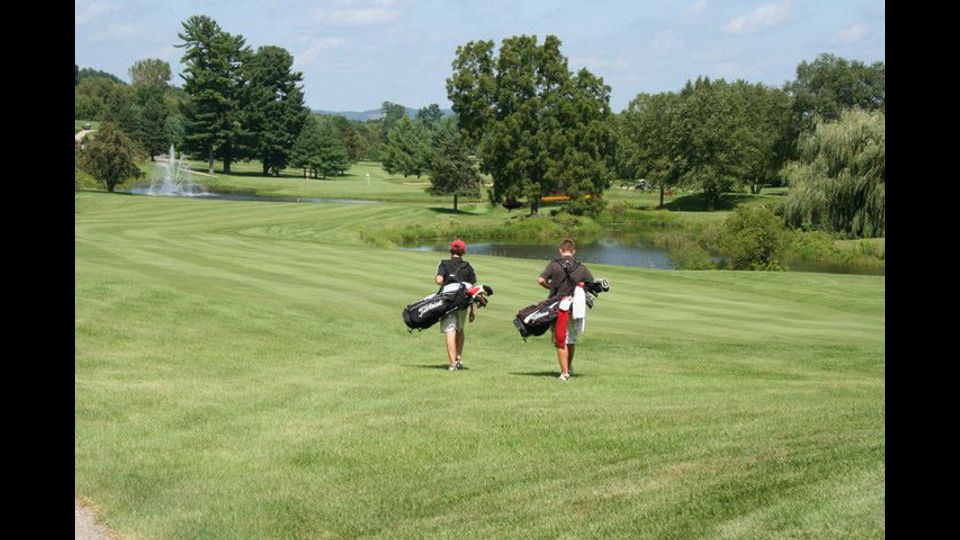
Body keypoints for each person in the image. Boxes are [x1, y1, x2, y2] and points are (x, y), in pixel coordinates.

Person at [538, 238, 593, 381]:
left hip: (558, 306)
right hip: (575, 307)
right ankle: (567, 368)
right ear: (573, 251)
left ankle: (564, 373)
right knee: (571, 340)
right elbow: (590, 285)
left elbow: (541, 280)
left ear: (560, 250)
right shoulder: (581, 267)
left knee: (560, 338)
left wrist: (550, 287)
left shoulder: (554, 265)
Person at [436, 238, 477, 371]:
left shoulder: (444, 264)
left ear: (451, 250)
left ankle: (452, 364)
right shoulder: (468, 267)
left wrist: (447, 283)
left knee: (450, 330)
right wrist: (473, 310)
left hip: (447, 302)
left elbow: (439, 280)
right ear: (463, 252)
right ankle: (458, 358)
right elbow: (472, 290)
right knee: (460, 329)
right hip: (463, 303)